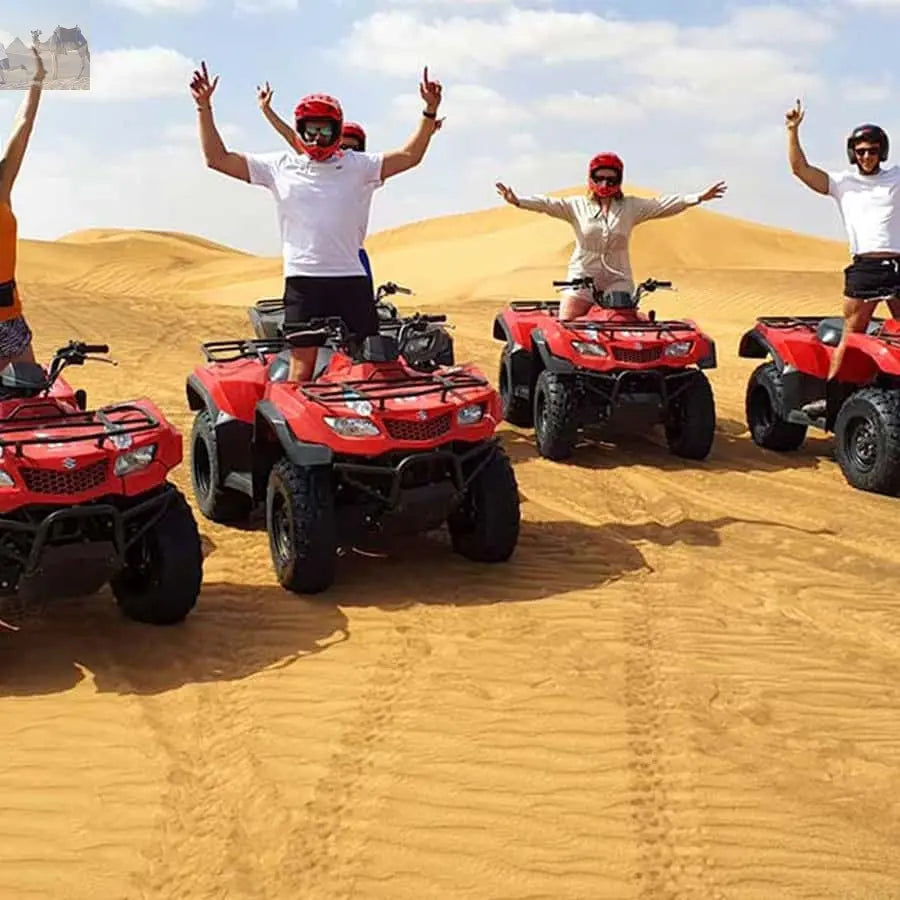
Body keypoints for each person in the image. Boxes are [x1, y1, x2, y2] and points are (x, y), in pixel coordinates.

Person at [192, 61, 442, 381]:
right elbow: (218, 159)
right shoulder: (279, 166)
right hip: (303, 281)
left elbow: (410, 156)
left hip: (351, 279)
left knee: (370, 367)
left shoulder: (359, 165)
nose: (318, 138)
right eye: (311, 130)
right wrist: (204, 107)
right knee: (302, 369)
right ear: (301, 130)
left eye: (325, 130)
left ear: (337, 131)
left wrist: (429, 112)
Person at [495, 155, 727, 319]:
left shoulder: (631, 206)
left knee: (621, 326)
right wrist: (518, 201)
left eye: (611, 179)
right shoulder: (576, 205)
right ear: (591, 178)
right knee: (567, 325)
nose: (605, 184)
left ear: (619, 180)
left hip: (618, 275)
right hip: (583, 274)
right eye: (600, 178)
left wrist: (698, 197)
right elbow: (546, 204)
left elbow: (663, 205)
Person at [786, 99, 900, 383]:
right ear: (853, 153)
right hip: (865, 269)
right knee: (852, 336)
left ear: (882, 152)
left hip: (898, 265)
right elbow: (801, 169)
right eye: (861, 151)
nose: (867, 156)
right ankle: (835, 398)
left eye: (873, 151)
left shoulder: (896, 177)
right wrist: (792, 130)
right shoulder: (842, 183)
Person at [0, 48, 45, 369]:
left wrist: (36, 81)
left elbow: (23, 125)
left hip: (9, 319)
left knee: (29, 409)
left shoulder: (1, 186)